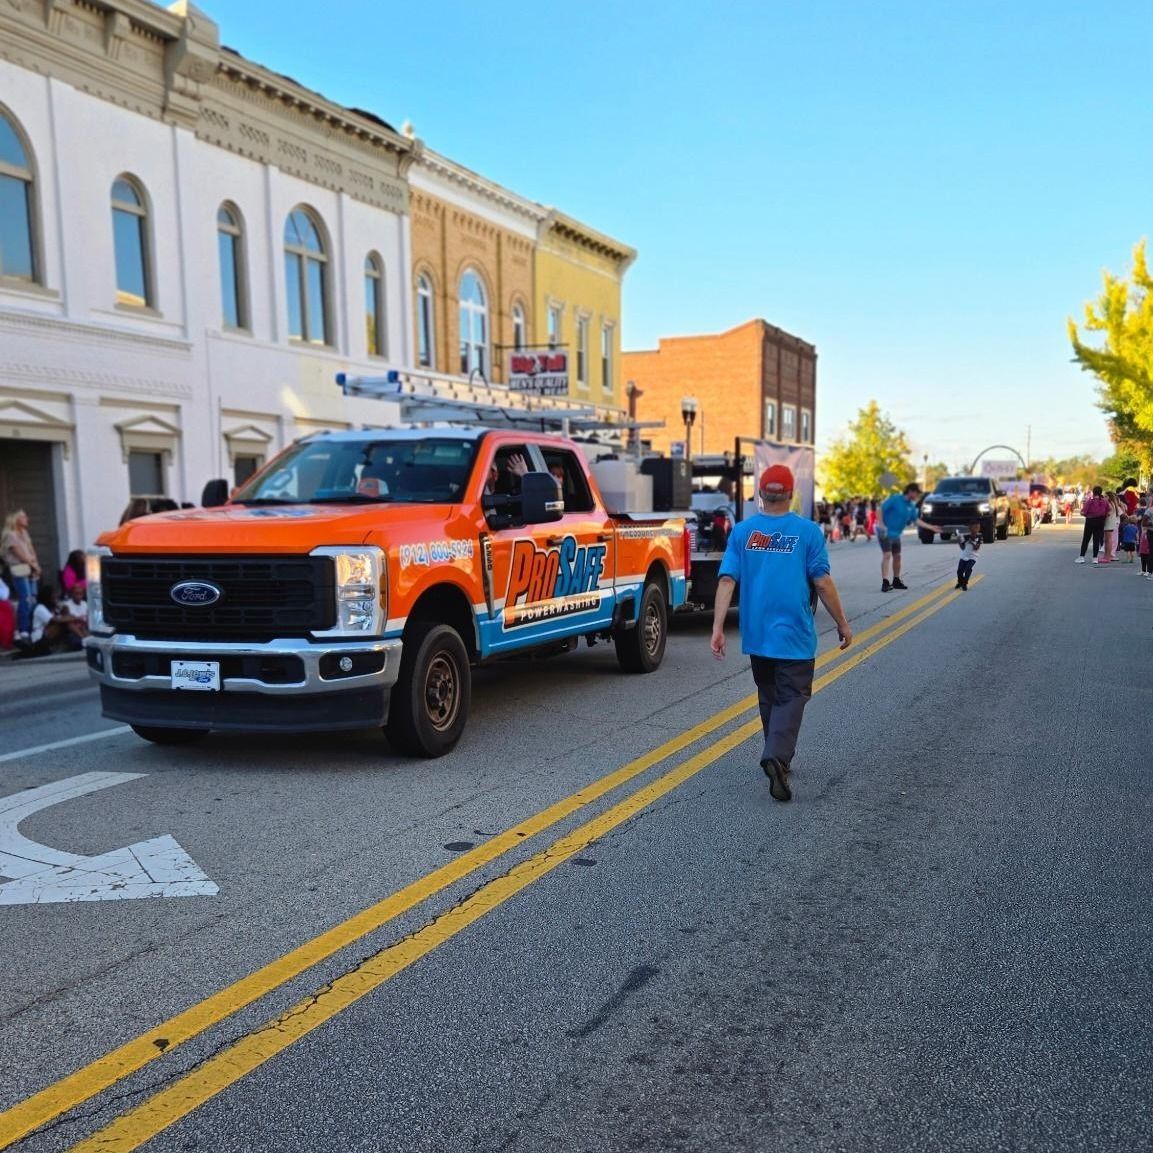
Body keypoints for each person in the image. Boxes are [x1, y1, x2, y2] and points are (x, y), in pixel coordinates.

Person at [710, 464, 852, 804]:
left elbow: (727, 579)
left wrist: (717, 627)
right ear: (791, 495)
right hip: (794, 634)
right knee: (792, 696)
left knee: (769, 694)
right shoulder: (807, 532)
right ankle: (777, 755)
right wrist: (842, 623)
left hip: (757, 634)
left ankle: (775, 751)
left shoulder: (743, 532)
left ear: (760, 493)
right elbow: (822, 581)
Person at [877, 483, 937, 592]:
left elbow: (916, 520)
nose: (918, 495)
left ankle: (896, 580)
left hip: (896, 534)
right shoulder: (896, 499)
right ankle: (885, 582)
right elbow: (880, 509)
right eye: (917, 493)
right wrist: (881, 524)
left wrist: (931, 527)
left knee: (897, 556)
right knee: (887, 555)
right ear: (910, 491)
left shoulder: (911, 506)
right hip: (885, 532)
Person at [1, 508, 41, 644]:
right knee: (25, 598)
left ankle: (31, 628)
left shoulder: (24, 533)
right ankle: (23, 629)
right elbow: (19, 554)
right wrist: (33, 564)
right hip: (21, 568)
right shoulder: (11, 535)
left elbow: (31, 550)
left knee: (33, 599)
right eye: (23, 517)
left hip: (31, 568)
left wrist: (36, 564)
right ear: (16, 519)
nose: (26, 519)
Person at [1076, 486, 1108, 563]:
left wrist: (1084, 514)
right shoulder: (1104, 502)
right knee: (1096, 540)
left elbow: (1083, 512)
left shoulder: (1090, 501)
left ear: (1093, 492)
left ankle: (1081, 557)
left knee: (1086, 539)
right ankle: (1095, 558)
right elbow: (1108, 512)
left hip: (1090, 521)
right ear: (1101, 492)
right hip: (1100, 521)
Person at [955, 522, 981, 590]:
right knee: (959, 571)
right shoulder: (965, 536)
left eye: (978, 528)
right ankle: (960, 582)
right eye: (975, 527)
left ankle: (964, 583)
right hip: (964, 556)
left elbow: (976, 548)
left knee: (968, 569)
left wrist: (971, 542)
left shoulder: (979, 537)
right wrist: (959, 541)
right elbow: (962, 548)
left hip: (973, 557)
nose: (976, 529)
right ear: (970, 528)